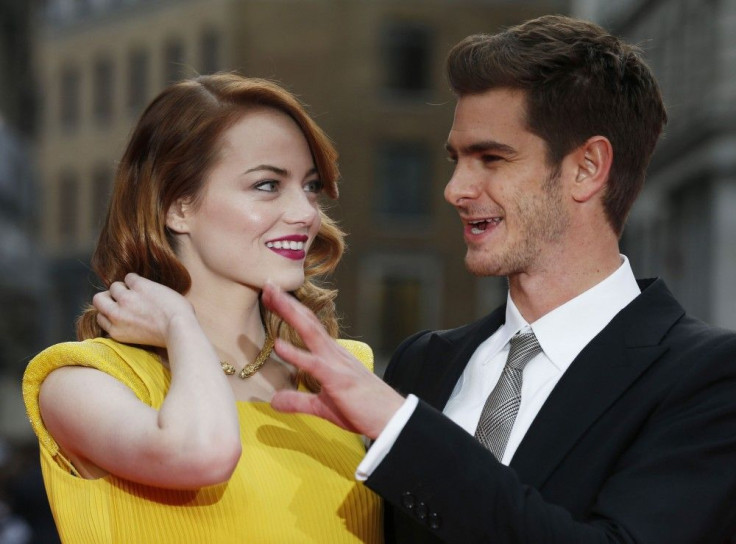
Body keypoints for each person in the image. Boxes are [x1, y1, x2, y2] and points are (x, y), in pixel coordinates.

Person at [260, 14, 736, 543]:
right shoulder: (426, 362)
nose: (456, 189)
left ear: (587, 167)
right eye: (456, 159)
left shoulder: (708, 379)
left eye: (491, 158)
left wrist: (402, 429)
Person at [22, 73, 382, 543]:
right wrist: (179, 324)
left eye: (310, 187)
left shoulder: (344, 373)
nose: (306, 213)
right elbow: (202, 455)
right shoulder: (84, 383)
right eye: (268, 185)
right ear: (178, 207)